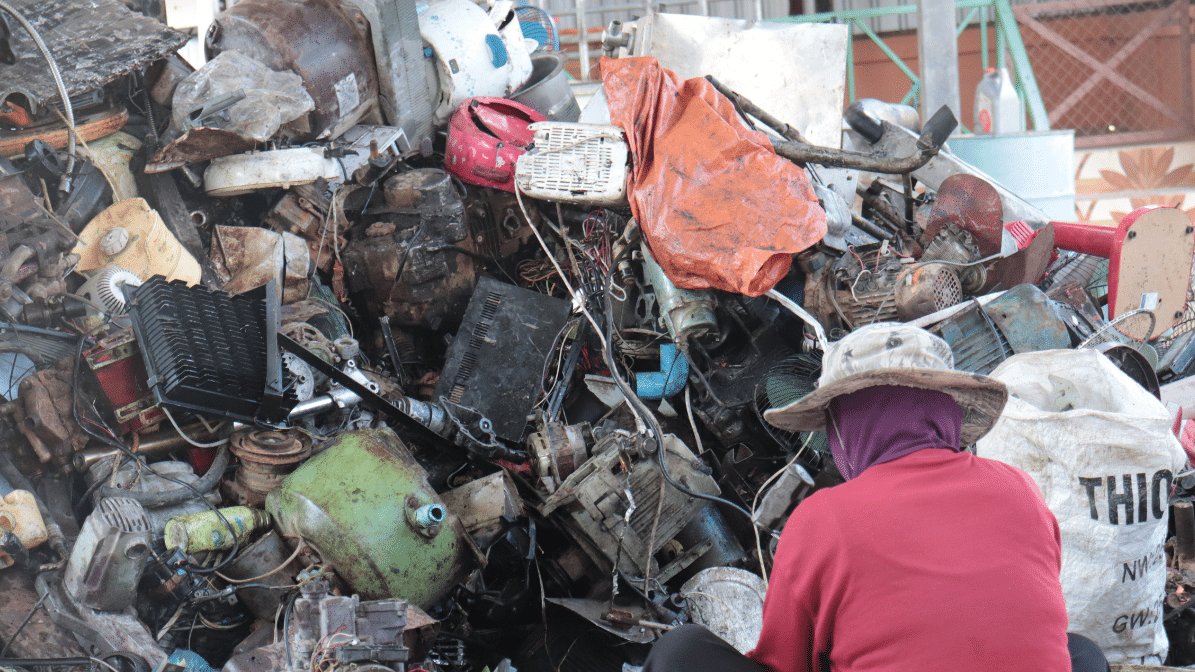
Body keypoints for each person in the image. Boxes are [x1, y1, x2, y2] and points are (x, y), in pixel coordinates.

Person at [642, 323, 1109, 672]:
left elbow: (786, 660)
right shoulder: (1021, 489)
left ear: (848, 427)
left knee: (678, 653)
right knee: (1082, 654)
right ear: (945, 414)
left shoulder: (823, 518)